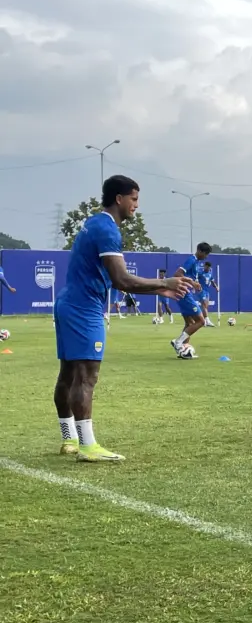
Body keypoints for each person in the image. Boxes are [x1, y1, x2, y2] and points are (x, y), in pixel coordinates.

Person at [53, 175, 192, 461]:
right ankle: (88, 446)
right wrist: (164, 283)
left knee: (68, 374)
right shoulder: (107, 229)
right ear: (119, 198)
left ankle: (70, 439)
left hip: (69, 303)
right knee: (87, 377)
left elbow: (115, 281)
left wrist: (159, 291)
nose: (137, 206)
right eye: (134, 199)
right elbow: (122, 279)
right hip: (83, 308)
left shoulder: (93, 223)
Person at [170, 242, 212, 355]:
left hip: (184, 294)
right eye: (206, 254)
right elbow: (177, 274)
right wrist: (192, 282)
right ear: (200, 251)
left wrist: (195, 284)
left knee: (190, 323)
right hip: (185, 294)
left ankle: (183, 349)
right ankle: (178, 342)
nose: (206, 257)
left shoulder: (196, 262)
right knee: (201, 321)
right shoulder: (191, 260)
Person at [198, 260, 219, 327]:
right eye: (206, 267)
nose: (208, 268)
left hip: (207, 291)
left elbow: (212, 281)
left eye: (209, 267)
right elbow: (195, 279)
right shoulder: (200, 273)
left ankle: (203, 321)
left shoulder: (210, 274)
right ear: (204, 266)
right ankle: (208, 321)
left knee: (206, 306)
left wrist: (216, 287)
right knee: (204, 305)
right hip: (201, 291)